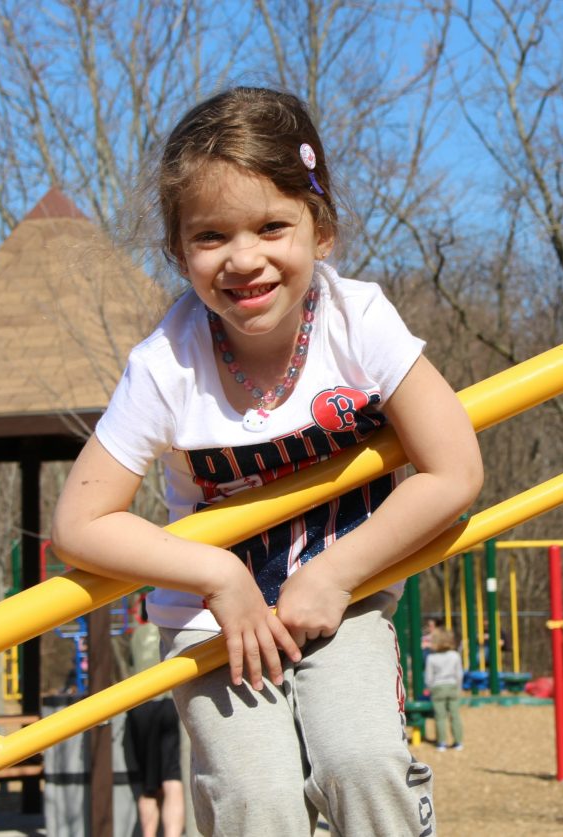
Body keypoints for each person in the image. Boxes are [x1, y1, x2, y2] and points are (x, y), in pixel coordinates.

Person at [52, 86, 483, 836]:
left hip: (339, 603)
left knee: (361, 763)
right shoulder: (168, 364)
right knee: (260, 800)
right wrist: (219, 575)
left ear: (322, 232)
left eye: (272, 227)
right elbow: (80, 523)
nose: (244, 258)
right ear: (178, 251)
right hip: (217, 626)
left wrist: (335, 572)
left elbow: (455, 469)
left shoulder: (359, 323)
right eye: (211, 236)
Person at [125, 597, 185, 837]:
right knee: (172, 777)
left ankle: (148, 834)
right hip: (169, 703)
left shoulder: (136, 636)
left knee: (148, 784)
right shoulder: (172, 630)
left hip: (141, 706)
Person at [424, 628, 465, 751]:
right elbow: (459, 674)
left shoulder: (431, 658)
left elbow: (428, 677)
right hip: (452, 686)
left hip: (437, 687)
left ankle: (441, 742)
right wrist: (459, 687)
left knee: (440, 716)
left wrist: (430, 688)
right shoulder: (455, 655)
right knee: (455, 715)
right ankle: (458, 742)